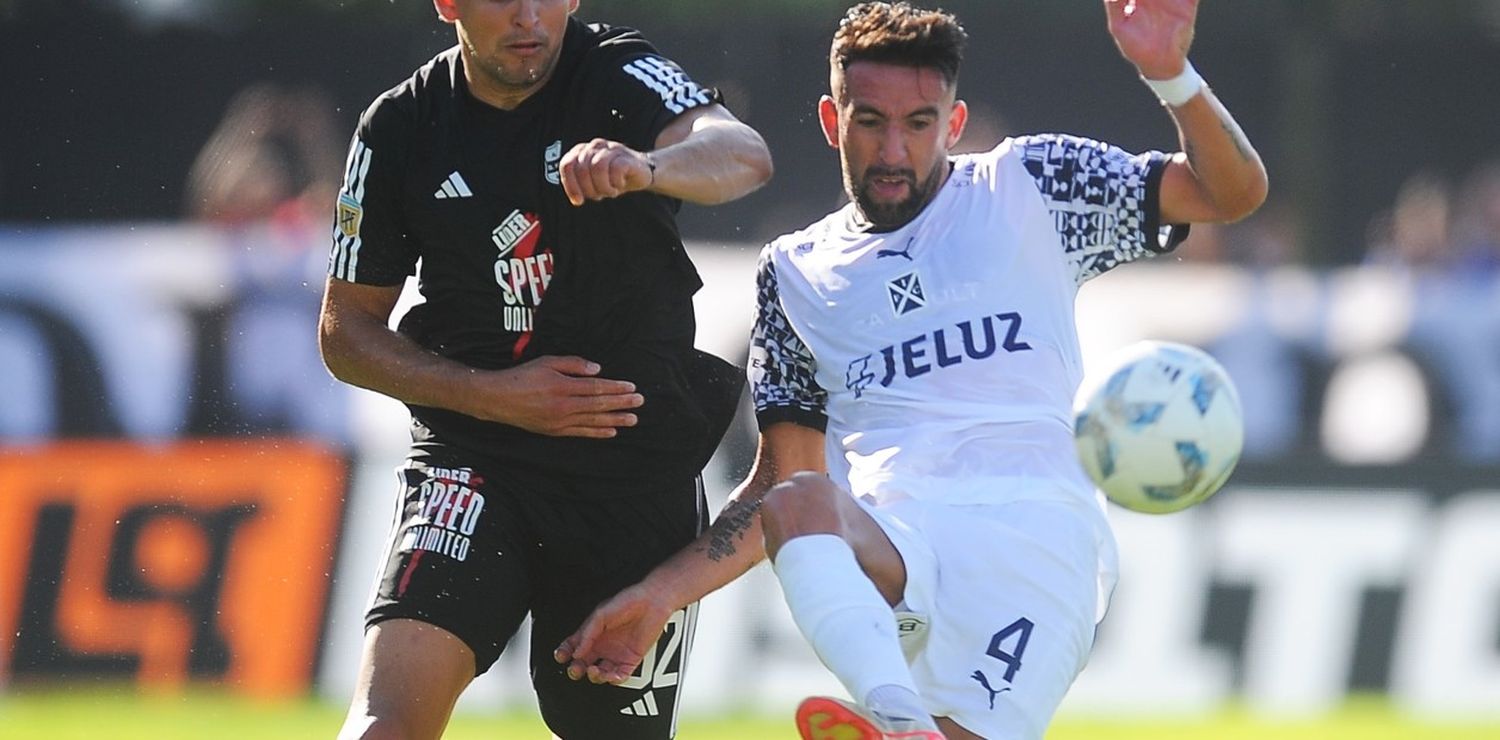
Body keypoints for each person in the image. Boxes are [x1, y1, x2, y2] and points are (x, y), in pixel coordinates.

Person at [555, 1, 1266, 738]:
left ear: (953, 125)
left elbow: (1230, 193)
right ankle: (896, 719)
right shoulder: (795, 273)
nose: (894, 150)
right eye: (871, 122)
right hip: (895, 556)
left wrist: (1170, 74)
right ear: (834, 122)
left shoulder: (1032, 188)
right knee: (797, 503)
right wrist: (661, 595)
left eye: (919, 123)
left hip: (1037, 540)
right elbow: (776, 481)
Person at [317, 0, 772, 737]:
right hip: (472, 463)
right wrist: (491, 397)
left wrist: (647, 166)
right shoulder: (400, 124)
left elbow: (744, 155)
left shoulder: (618, 75)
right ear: (448, 5)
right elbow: (345, 333)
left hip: (632, 475)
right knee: (383, 726)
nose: (529, 17)